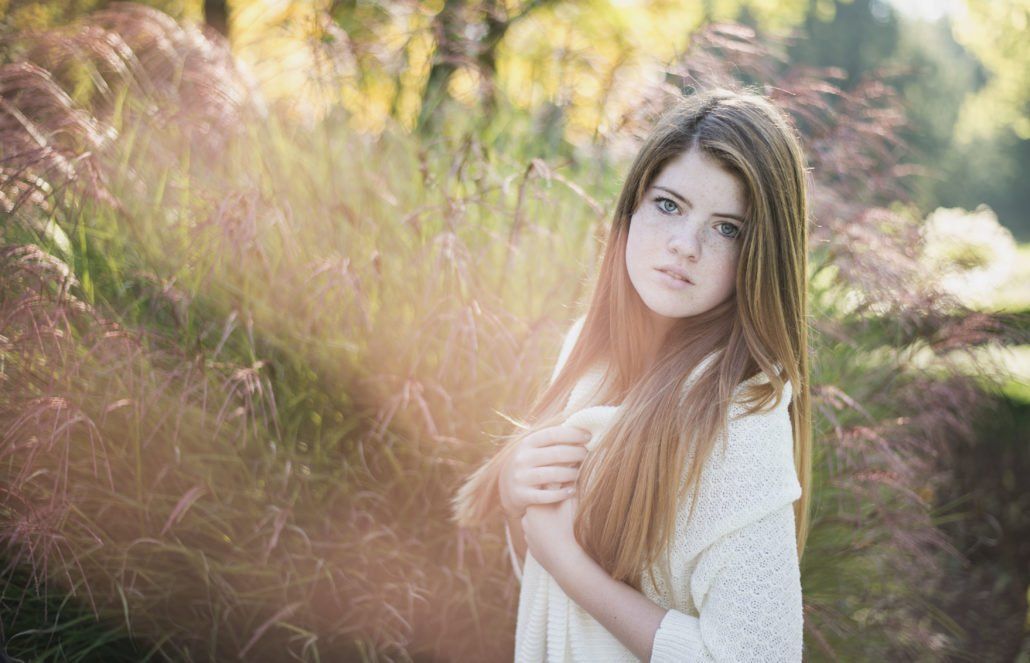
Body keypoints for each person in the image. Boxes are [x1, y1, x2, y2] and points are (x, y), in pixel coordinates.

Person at [450, 86, 812, 662]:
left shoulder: (740, 421)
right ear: (631, 210)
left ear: (763, 253)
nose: (684, 246)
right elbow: (551, 604)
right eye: (669, 205)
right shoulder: (588, 360)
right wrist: (524, 491)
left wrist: (568, 561)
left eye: (727, 229)